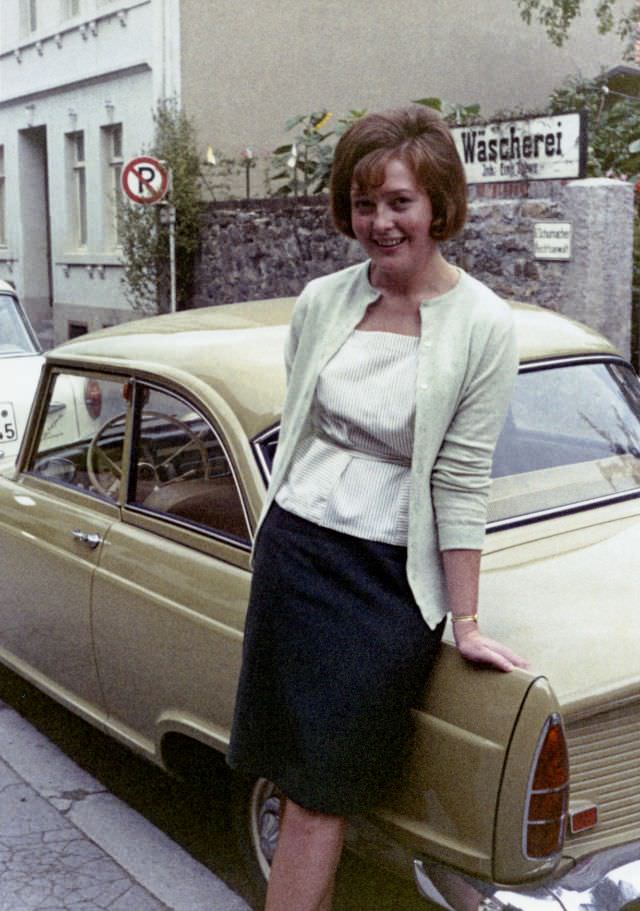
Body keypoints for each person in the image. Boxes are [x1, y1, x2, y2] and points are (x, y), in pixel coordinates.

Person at [228, 105, 529, 911]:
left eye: (399, 201)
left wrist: (464, 622)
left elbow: (461, 479)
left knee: (323, 793)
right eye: (365, 204)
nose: (380, 222)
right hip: (295, 554)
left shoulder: (483, 326)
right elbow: (302, 426)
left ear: (437, 203)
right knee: (297, 786)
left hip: (382, 580)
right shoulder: (323, 299)